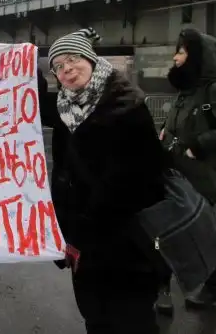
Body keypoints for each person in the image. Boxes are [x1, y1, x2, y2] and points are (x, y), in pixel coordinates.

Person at [38, 28, 168, 333]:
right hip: (83, 243)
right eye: (59, 66)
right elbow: (34, 102)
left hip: (127, 243)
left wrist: (88, 223)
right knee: (95, 318)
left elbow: (143, 180)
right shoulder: (66, 108)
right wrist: (23, 63)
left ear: (91, 60)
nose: (67, 69)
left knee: (131, 321)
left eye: (73, 59)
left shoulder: (127, 106)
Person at [156, 27, 216, 314]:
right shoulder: (184, 91)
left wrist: (199, 146)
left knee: (206, 234)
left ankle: (211, 288)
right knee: (164, 232)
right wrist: (164, 132)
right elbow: (175, 122)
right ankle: (162, 287)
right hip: (176, 174)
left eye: (181, 52)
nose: (175, 57)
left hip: (203, 178)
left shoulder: (211, 90)